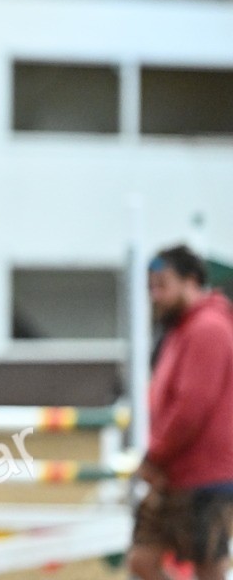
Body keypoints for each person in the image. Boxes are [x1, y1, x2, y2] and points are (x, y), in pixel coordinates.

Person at [129, 245, 233, 580]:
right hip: (176, 471)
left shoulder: (208, 329)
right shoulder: (181, 329)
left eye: (163, 284)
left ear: (191, 281)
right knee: (141, 560)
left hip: (207, 473)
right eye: (151, 286)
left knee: (208, 567)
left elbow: (190, 408)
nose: (155, 295)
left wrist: (155, 456)